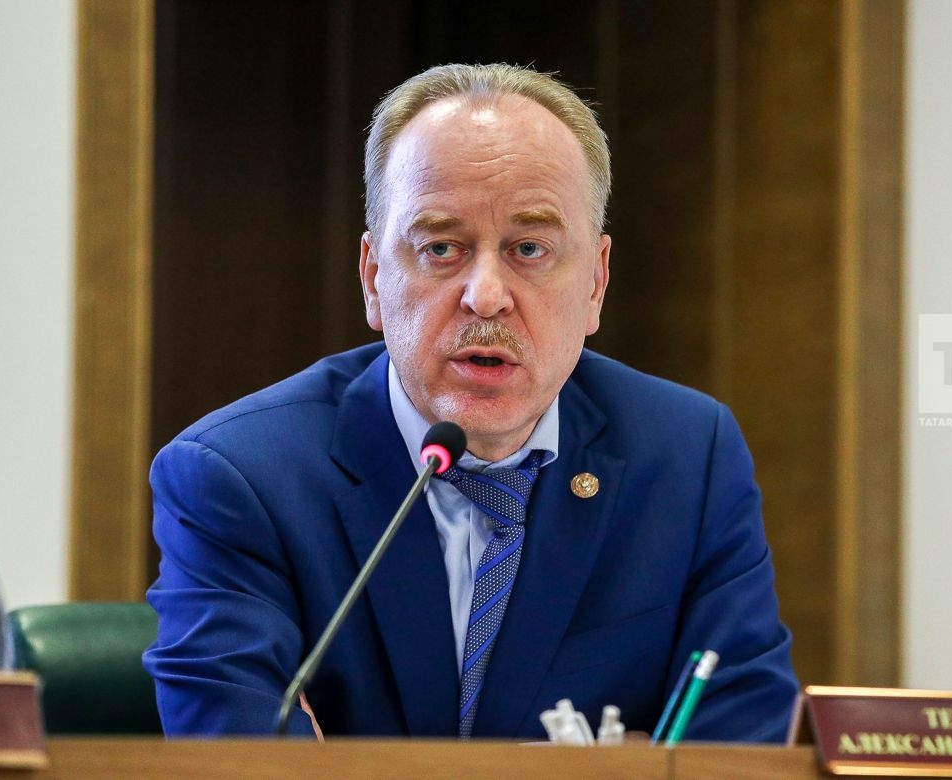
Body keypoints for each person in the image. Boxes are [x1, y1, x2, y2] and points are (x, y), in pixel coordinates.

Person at [143, 63, 798, 741]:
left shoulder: (689, 459)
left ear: (596, 282)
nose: (486, 296)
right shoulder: (238, 478)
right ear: (373, 278)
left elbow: (740, 745)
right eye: (441, 248)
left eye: (530, 248)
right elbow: (237, 757)